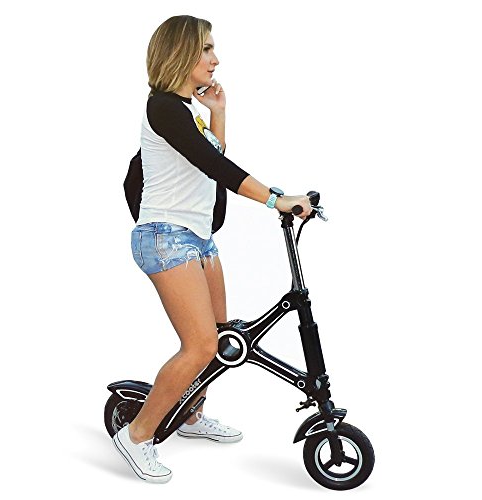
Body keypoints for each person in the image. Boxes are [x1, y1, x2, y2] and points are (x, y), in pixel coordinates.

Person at [112, 15, 312, 484]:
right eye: (205, 49)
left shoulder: (187, 113)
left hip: (197, 237)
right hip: (167, 238)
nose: (215, 59)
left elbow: (208, 161)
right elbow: (215, 167)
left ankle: (190, 415)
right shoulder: (163, 107)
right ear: (180, 52)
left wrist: (218, 113)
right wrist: (276, 198)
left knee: (220, 342)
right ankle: (136, 435)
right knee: (200, 345)